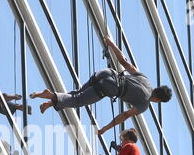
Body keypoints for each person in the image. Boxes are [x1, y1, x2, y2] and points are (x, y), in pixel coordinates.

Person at [30, 37, 172, 135]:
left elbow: (124, 61)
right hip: (110, 87)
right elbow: (124, 116)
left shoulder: (145, 79)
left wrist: (111, 44)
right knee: (78, 100)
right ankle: (50, 95)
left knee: (78, 94)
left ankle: (50, 102)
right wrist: (105, 128)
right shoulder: (144, 105)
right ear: (158, 100)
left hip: (107, 73)